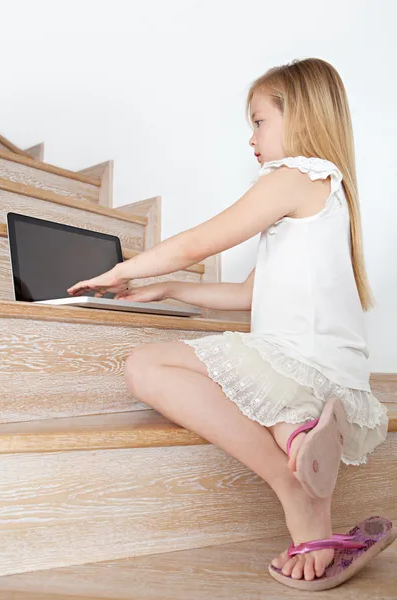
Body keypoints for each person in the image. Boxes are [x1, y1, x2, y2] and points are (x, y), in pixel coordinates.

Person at [67, 57, 395, 591]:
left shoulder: (295, 175)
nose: (251, 138)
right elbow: (249, 294)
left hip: (297, 362)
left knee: (145, 365)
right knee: (179, 364)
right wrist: (168, 289)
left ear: (302, 116)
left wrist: (123, 269)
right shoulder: (326, 192)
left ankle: (294, 483)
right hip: (333, 373)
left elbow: (201, 241)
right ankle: (302, 455)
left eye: (259, 121)